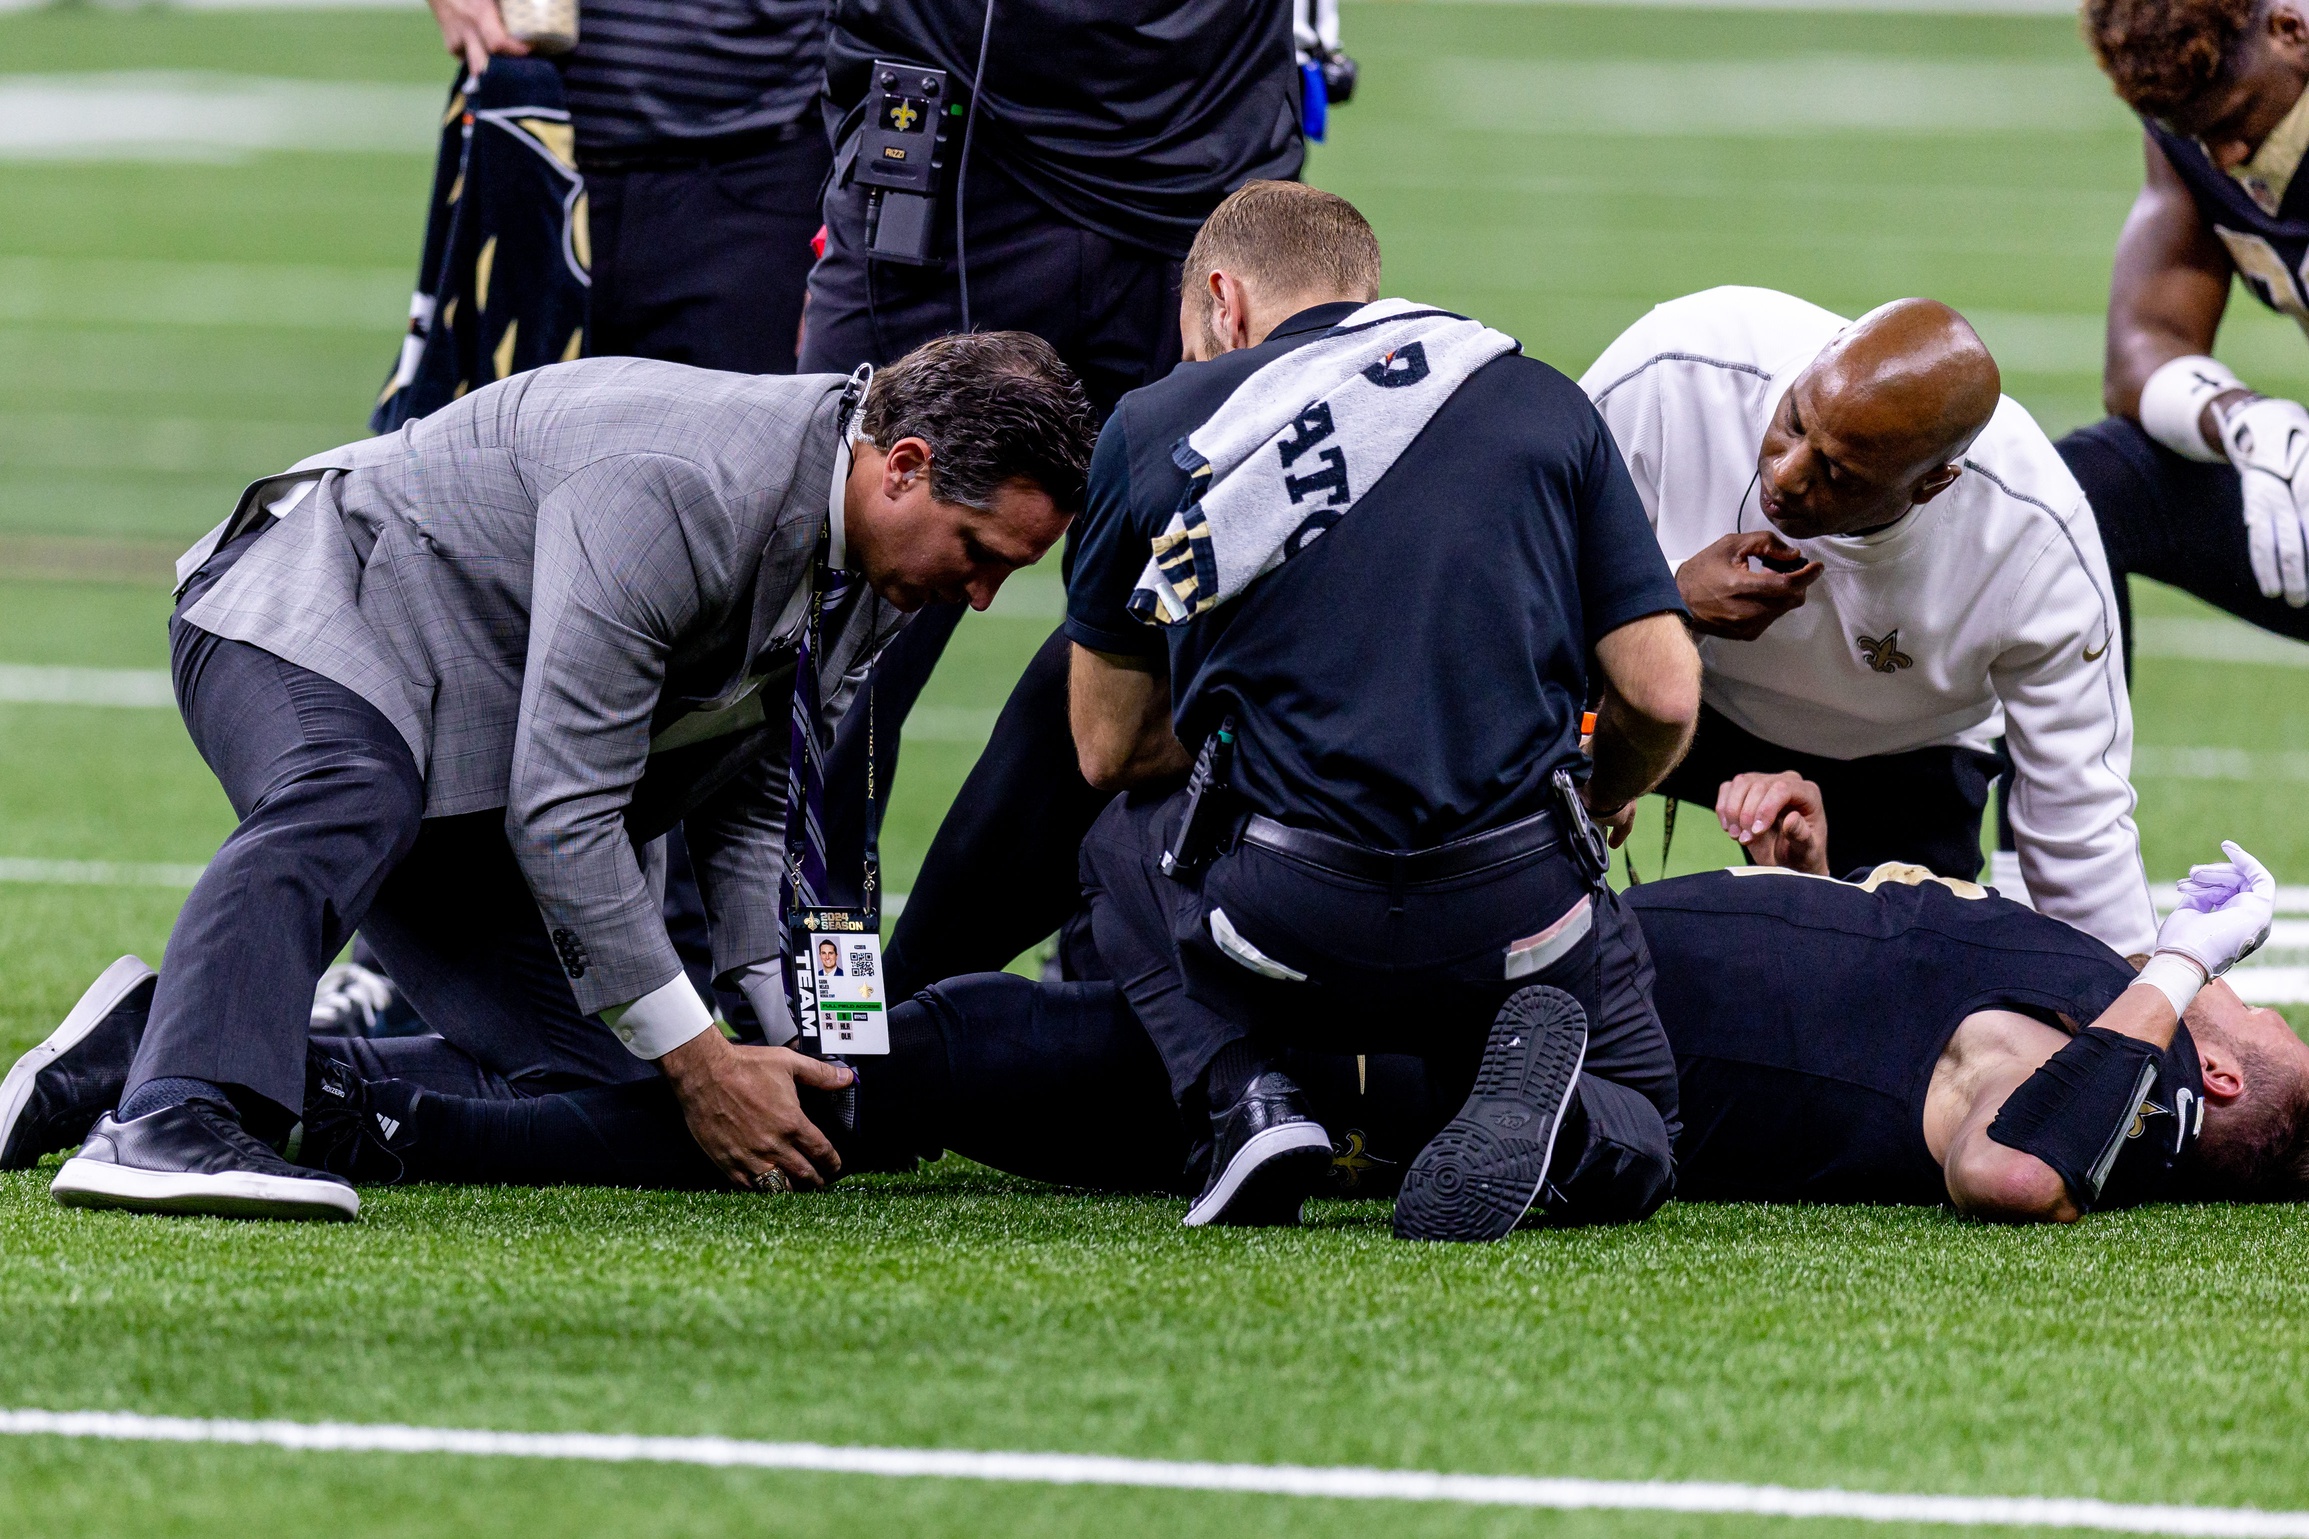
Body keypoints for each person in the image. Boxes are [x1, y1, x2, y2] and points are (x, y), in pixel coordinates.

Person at [20, 334, 1095, 1221]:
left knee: (615, 1081)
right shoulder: (684, 485)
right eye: (980, 551)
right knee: (351, 788)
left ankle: (145, 1040)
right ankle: (169, 1116)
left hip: (464, 735)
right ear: (902, 465)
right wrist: (705, 1061)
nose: (985, 595)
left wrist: (770, 1025)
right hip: (311, 610)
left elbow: (753, 785)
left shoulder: (869, 551)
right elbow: (565, 806)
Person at [16, 824, 2287, 1228]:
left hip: (1432, 1038)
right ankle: (259, 1045)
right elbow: (1871, 916)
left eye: (2267, 1061)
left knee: (876, 1089)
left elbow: (2001, 1146)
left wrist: (2175, 984)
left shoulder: (2096, 1059)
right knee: (916, 1048)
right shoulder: (2040, 949)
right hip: (1456, 955)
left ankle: (272, 1075)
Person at [1064, 181, 1702, 1241]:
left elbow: (1105, 745)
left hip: (1275, 920)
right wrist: (1594, 796)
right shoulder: (1540, 399)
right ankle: (1569, 1128)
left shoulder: (1157, 421)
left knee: (1117, 836)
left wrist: (1248, 703)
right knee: (1649, 1113)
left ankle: (1247, 1098)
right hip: (1514, 915)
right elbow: (1662, 692)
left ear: (1222, 301)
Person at [1581, 286, 2158, 961]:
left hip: (1901, 750)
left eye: (1835, 472)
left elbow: (2078, 829)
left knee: (1917, 983)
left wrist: (2129, 1013)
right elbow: (1523, 581)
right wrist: (1663, 604)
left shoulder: (2034, 542)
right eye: (1793, 421)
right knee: (1516, 829)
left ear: (1931, 485)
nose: (1786, 477)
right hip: (1681, 684)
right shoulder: (1674, 371)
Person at [2069, 0, 2309, 652]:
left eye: (2232, 118)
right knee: (2084, 493)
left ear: (2290, 30)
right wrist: (2245, 423)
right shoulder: (2196, 134)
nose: (2223, 154)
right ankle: (2064, 760)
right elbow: (2140, 348)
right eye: (2194, 132)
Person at [425, 0, 833, 375]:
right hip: (535, 144)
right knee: (501, 445)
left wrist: (842, 235)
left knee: (735, 448)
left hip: (762, 170)